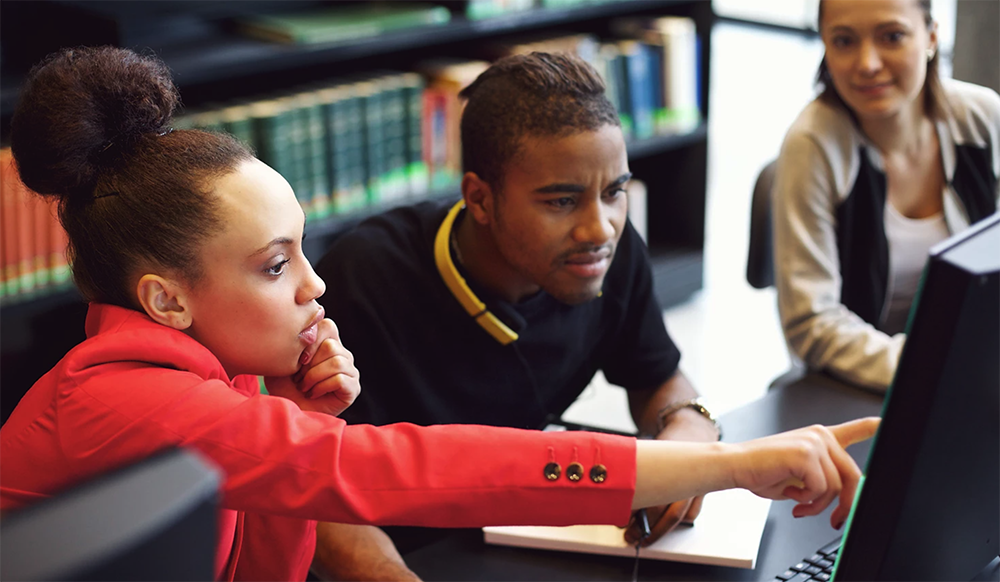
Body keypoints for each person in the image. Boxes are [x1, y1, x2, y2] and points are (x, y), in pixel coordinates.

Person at [0, 47, 877, 582]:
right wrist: (731, 466)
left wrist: (291, 416)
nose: (317, 286)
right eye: (277, 266)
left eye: (303, 250)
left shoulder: (210, 381)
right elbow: (397, 469)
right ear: (166, 298)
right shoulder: (128, 400)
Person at [312, 52, 755, 581]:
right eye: (562, 201)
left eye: (614, 192)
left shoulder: (609, 252)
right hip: (408, 549)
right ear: (479, 198)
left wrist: (688, 431)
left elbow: (656, 374)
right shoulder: (365, 277)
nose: (600, 228)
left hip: (518, 535)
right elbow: (315, 490)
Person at [772, 0, 1000, 390]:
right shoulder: (812, 145)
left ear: (930, 35)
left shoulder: (982, 118)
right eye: (844, 41)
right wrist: (933, 367)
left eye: (892, 37)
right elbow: (811, 322)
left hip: (975, 367)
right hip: (865, 385)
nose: (867, 63)